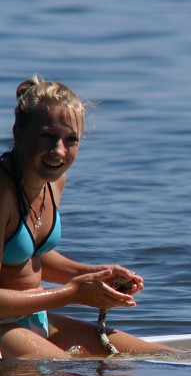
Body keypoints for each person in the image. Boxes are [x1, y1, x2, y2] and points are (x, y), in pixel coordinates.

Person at [0, 76, 173, 359]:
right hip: (3, 329)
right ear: (18, 133)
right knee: (68, 371)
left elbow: (25, 254)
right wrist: (73, 294)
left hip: (34, 320)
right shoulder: (2, 193)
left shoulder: (55, 182)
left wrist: (92, 276)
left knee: (161, 358)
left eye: (70, 140)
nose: (58, 151)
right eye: (47, 136)